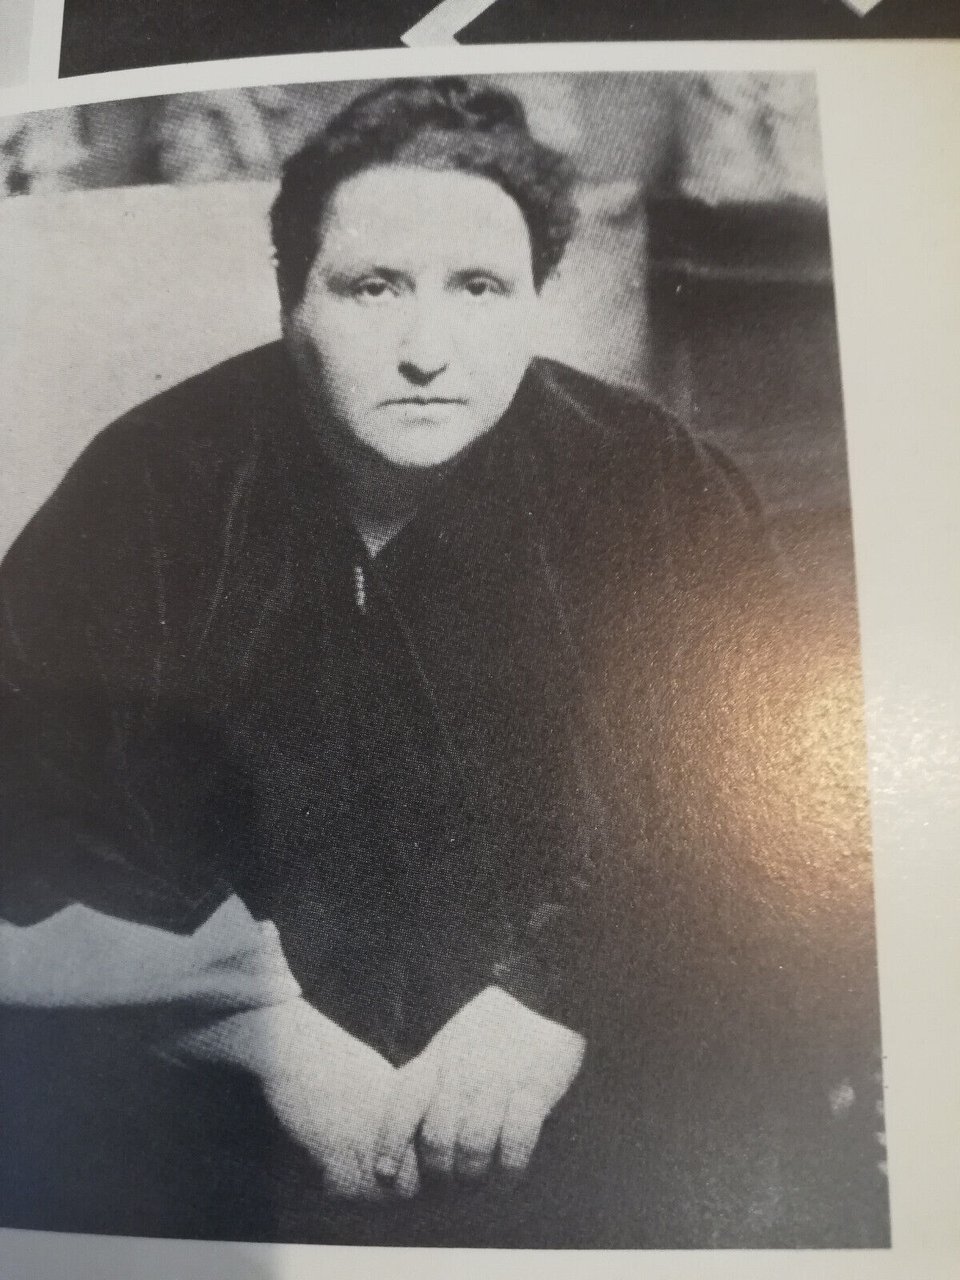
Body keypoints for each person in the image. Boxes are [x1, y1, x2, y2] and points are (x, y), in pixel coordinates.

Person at [0, 78, 886, 1247]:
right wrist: (254, 1028)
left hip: (590, 1091)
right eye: (373, 287)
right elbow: (30, 804)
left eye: (479, 288)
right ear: (292, 297)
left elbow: (760, 803)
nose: (426, 351)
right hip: (221, 1104)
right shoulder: (151, 483)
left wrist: (557, 1000)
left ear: (534, 299)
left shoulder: (654, 483)